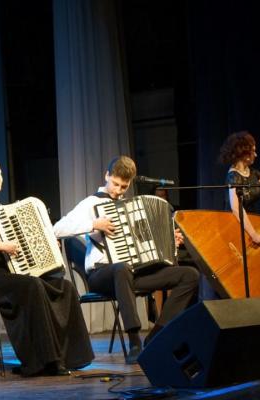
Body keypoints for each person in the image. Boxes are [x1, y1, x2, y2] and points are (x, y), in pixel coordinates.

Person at [53, 155, 199, 364]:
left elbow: (145, 244)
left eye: (123, 186)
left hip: (132, 275)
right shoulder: (91, 203)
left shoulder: (131, 206)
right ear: (106, 176)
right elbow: (57, 229)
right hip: (101, 275)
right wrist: (94, 224)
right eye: (114, 184)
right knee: (121, 268)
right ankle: (134, 343)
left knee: (189, 275)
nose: (117, 190)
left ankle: (156, 336)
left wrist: (169, 240)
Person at [0, 158, 94, 377]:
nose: (2, 176)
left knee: (65, 286)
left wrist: (47, 241)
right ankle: (44, 361)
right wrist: (2, 246)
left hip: (10, 274)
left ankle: (72, 357)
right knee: (31, 286)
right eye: (0, 173)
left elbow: (20, 243)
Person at [220, 131, 260, 245]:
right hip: (237, 226)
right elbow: (236, 208)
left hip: (252, 222)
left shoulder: (254, 173)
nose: (256, 155)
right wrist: (253, 234)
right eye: (253, 151)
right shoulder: (233, 176)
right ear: (243, 154)